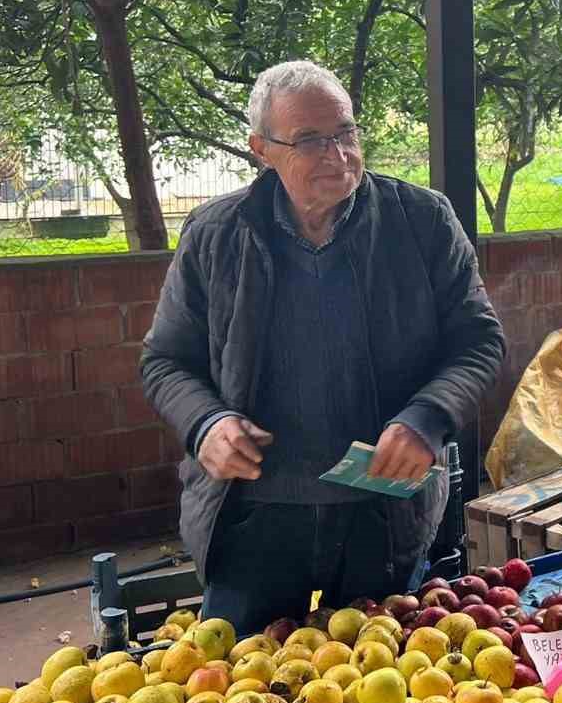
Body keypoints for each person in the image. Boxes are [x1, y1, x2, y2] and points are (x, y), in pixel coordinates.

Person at [140, 60, 505, 630]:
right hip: (251, 517)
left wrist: (426, 419)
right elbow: (165, 361)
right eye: (310, 140)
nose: (337, 155)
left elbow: (479, 338)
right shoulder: (215, 234)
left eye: (346, 133)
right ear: (262, 148)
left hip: (381, 515)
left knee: (381, 694)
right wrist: (205, 423)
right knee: (247, 692)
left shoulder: (421, 221)